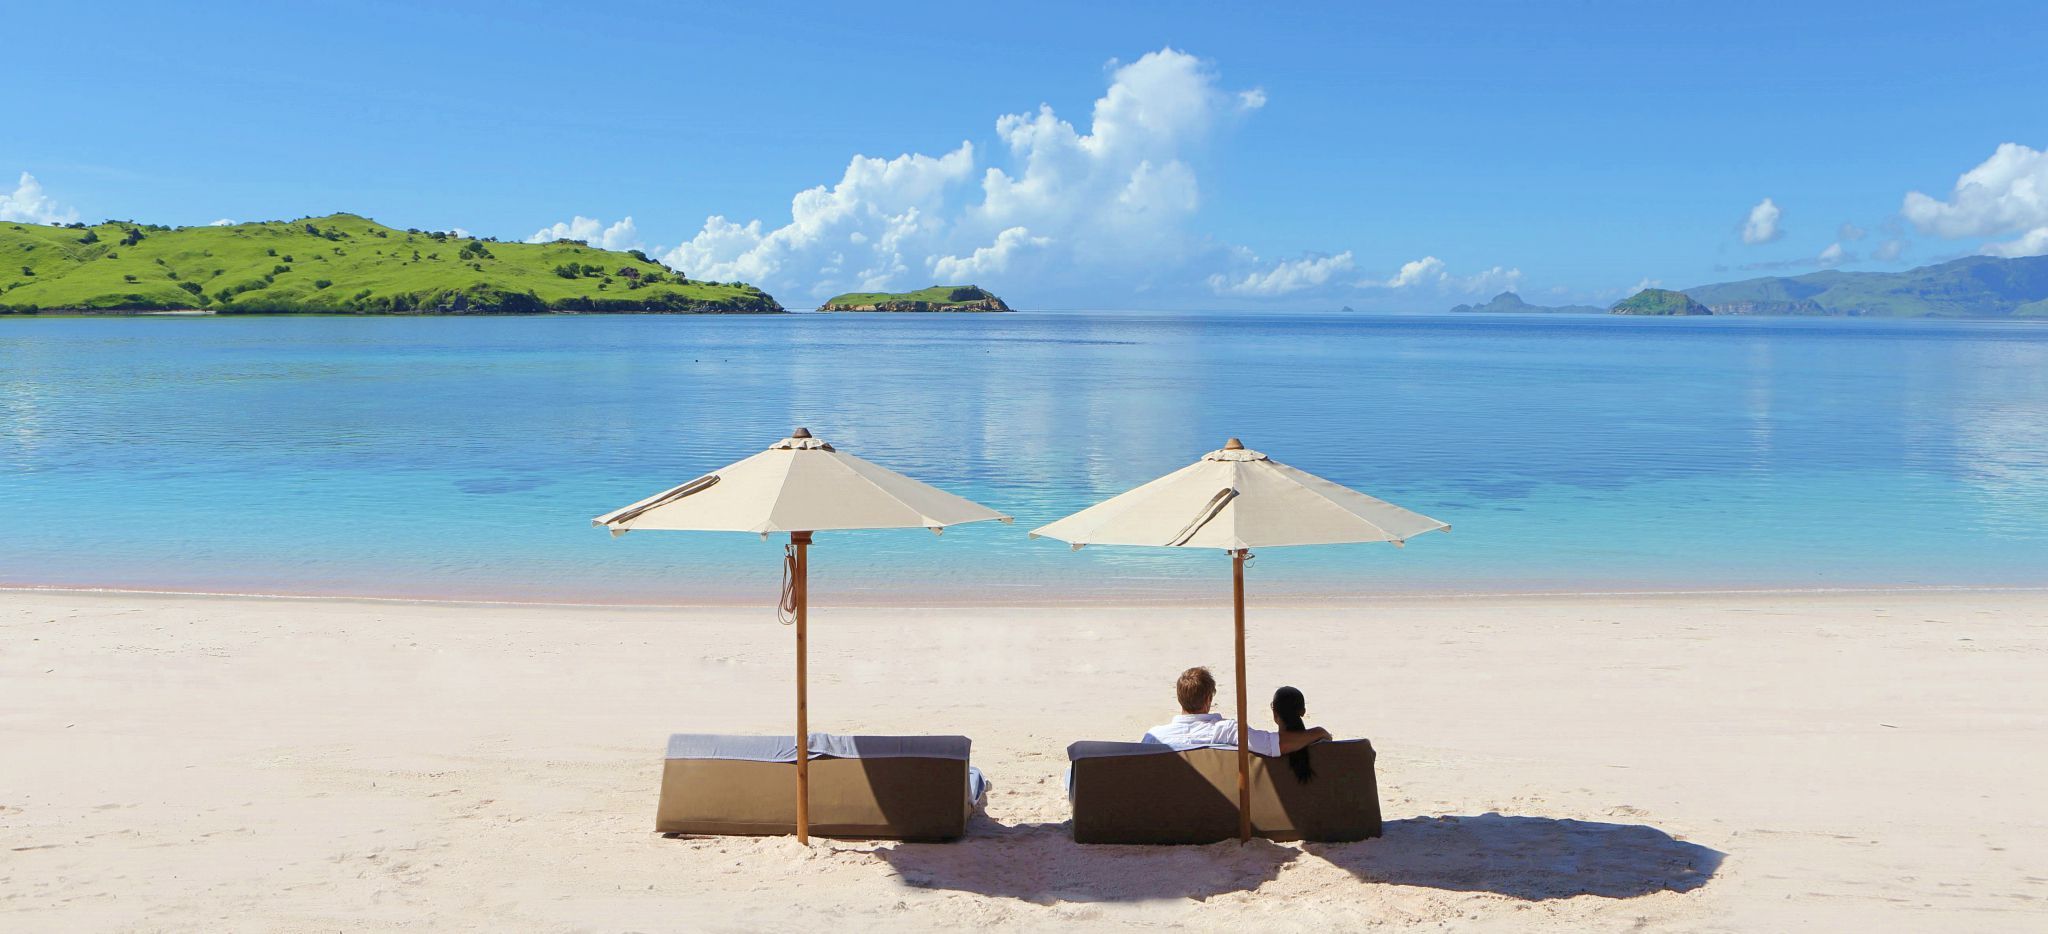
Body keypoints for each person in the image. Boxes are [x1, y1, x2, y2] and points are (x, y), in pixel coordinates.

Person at [1141, 667, 1329, 757]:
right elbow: (1278, 745)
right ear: (1208, 699)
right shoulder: (1228, 731)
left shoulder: (1154, 738)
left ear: (1179, 698)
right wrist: (1317, 732)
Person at [1271, 685, 1317, 782]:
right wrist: (1320, 731)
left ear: (1275, 713)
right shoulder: (1321, 745)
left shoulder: (1264, 750)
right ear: (1303, 712)